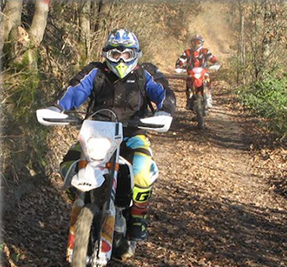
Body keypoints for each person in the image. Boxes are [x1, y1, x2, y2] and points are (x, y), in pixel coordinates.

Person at [55, 28, 176, 247]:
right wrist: (57, 107)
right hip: (95, 134)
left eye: (127, 54)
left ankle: (138, 217)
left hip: (133, 134)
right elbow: (75, 90)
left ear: (136, 55)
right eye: (115, 54)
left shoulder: (145, 73)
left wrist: (165, 110)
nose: (121, 60)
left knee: (142, 172)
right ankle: (84, 203)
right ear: (106, 54)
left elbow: (164, 92)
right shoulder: (96, 72)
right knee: (67, 167)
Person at [175, 34, 219, 110]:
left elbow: (211, 57)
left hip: (203, 71)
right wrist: (179, 65)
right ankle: (188, 99)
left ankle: (209, 97)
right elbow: (181, 60)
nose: (196, 44)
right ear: (192, 43)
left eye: (198, 42)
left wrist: (215, 62)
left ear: (201, 43)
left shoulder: (205, 51)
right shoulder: (188, 52)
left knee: (207, 79)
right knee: (188, 82)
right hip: (192, 72)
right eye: (194, 42)